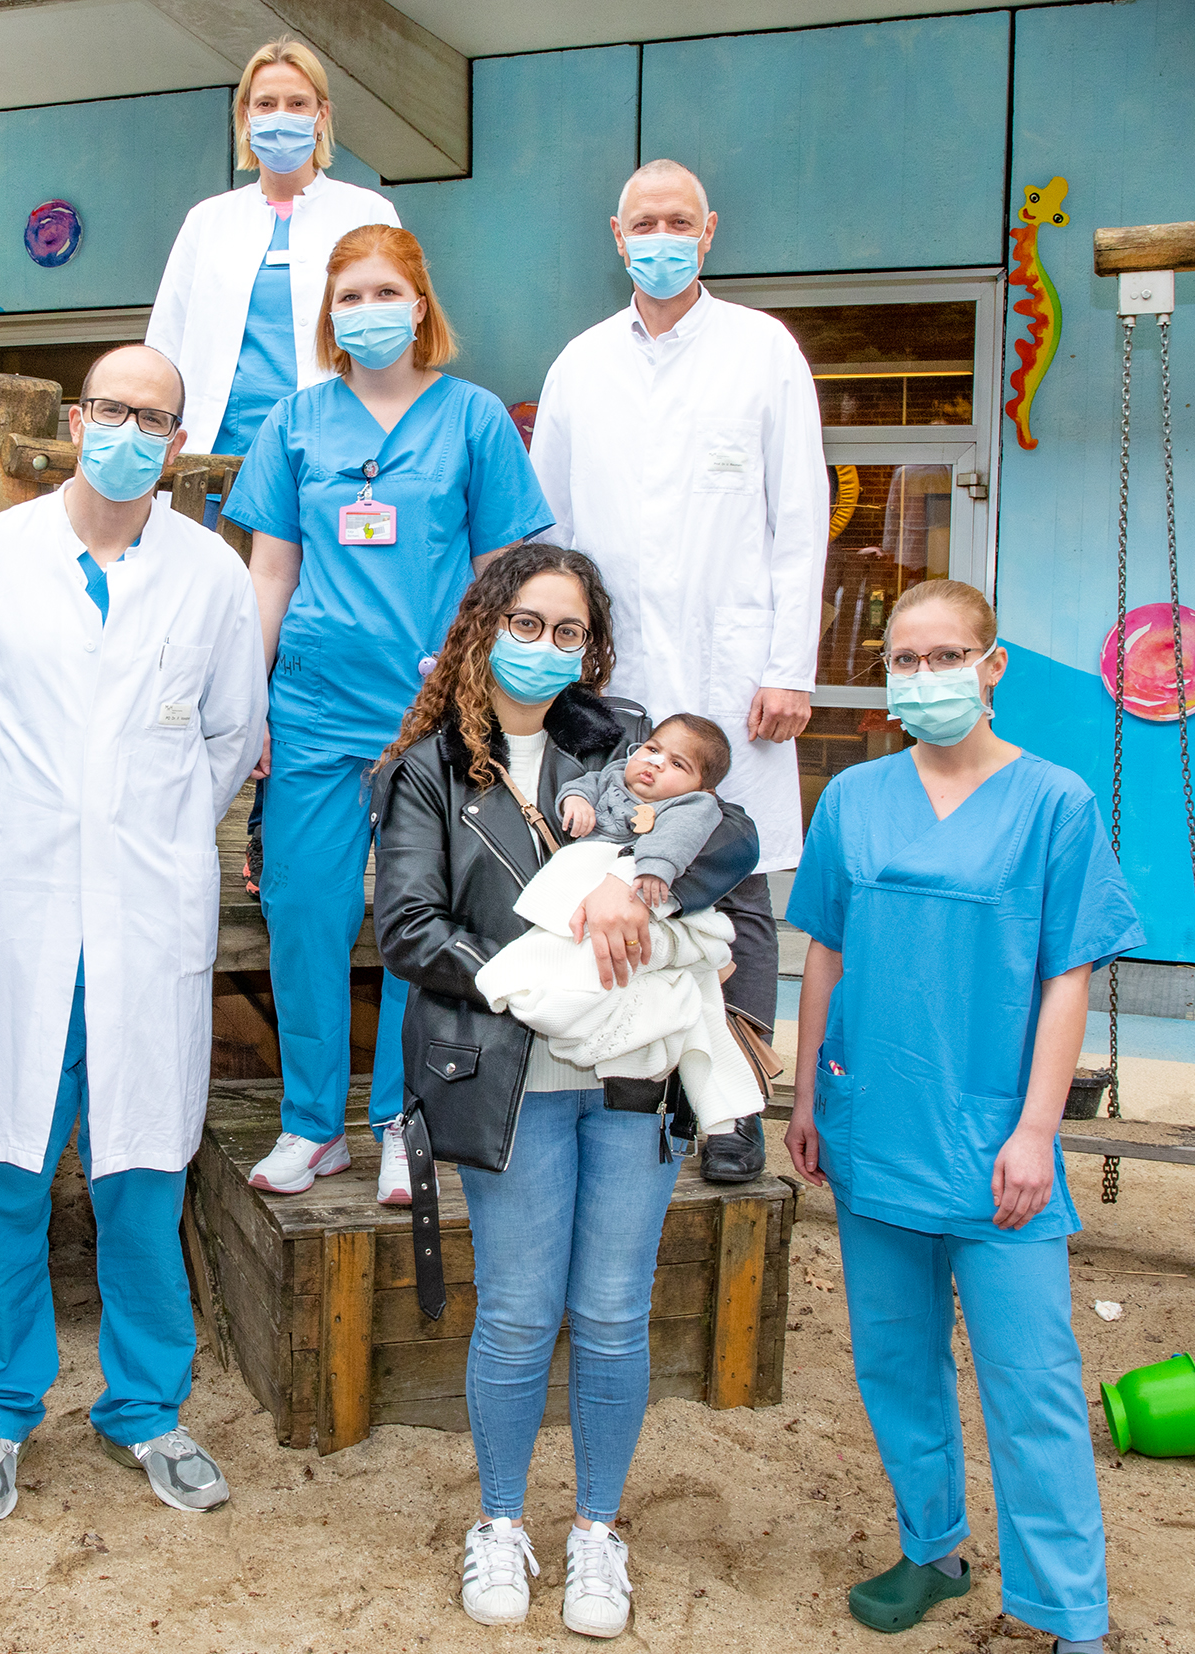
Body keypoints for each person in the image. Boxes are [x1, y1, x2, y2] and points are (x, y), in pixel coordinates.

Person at [371, 544, 757, 1638]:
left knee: (610, 1311)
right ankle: (498, 1520)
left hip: (635, 1077)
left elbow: (729, 834)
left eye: (568, 631)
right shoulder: (429, 771)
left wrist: (649, 893)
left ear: (593, 645)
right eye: (526, 624)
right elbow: (406, 925)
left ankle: (596, 1529)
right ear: (484, 625)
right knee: (518, 1310)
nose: (545, 648)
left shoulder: (631, 739)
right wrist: (530, 974)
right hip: (513, 1072)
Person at [0, 344, 265, 1524]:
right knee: (0, 1169)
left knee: (140, 1172)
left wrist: (137, 835)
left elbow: (226, 740)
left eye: (150, 417)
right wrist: (30, 832)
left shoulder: (209, 577)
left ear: (176, 441)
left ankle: (144, 1408)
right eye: (110, 408)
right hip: (15, 912)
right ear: (76, 418)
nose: (126, 430)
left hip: (142, 911)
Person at [784, 579, 1137, 1654]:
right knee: (892, 1361)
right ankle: (931, 1545)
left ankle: (1063, 1609)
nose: (920, 676)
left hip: (994, 1144)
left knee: (1030, 1382)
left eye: (944, 656)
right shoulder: (851, 798)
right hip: (871, 1126)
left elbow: (1066, 973)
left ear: (991, 668)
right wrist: (803, 1098)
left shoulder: (1053, 803)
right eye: (902, 658)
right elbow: (824, 956)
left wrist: (1036, 1129)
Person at [223, 223, 552, 1205]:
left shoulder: (473, 418)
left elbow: (502, 571)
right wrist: (252, 704)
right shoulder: (295, 422)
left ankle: (403, 1123)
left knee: (417, 919)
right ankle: (309, 1125)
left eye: (382, 292)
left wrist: (476, 687)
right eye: (346, 296)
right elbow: (269, 570)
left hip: (428, 709)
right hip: (314, 703)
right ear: (328, 313)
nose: (364, 311)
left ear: (419, 303)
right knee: (304, 910)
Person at [528, 157, 829, 1184]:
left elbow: (801, 516)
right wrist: (552, 663)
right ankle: (635, 1080)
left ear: (708, 231)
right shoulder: (578, 365)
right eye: (640, 222)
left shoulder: (761, 351)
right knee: (611, 861)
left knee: (730, 873)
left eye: (678, 221)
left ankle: (732, 1098)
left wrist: (788, 664)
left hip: (731, 669)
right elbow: (551, 532)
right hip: (613, 681)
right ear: (615, 235)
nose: (658, 236)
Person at [146, 37, 400, 462]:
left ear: (322, 116)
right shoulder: (206, 221)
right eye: (266, 104)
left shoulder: (368, 213)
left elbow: (397, 339)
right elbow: (164, 345)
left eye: (298, 104)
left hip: (332, 452)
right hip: (214, 455)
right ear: (245, 116)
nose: (281, 116)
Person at [556, 712, 732, 913]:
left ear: (702, 789)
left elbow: (678, 835)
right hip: (578, 870)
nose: (656, 762)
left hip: (632, 880)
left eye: (677, 764)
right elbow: (583, 785)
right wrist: (576, 800)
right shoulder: (614, 774)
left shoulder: (691, 804)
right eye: (653, 748)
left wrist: (656, 866)